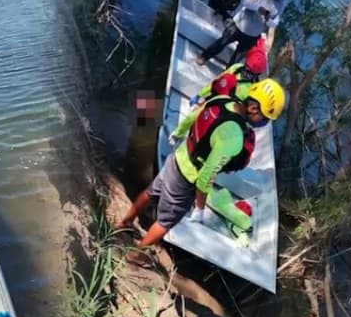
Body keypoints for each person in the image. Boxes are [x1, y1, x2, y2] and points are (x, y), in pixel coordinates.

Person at [119, 79, 286, 257]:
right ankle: (135, 255)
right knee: (165, 222)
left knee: (150, 192)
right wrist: (199, 209)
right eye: (265, 117)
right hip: (186, 178)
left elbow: (192, 118)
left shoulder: (222, 99)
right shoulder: (234, 137)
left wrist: (178, 133)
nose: (263, 123)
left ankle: (125, 222)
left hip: (176, 158)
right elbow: (205, 177)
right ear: (253, 108)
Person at [196, 0, 290, 67]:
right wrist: (259, 8)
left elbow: (274, 22)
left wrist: (269, 19)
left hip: (252, 36)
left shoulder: (280, 5)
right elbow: (247, 2)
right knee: (221, 43)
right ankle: (204, 57)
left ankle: (226, 76)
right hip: (238, 25)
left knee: (236, 59)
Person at [189, 41, 268, 106]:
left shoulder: (237, 68)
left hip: (215, 102)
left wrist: (200, 95)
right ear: (259, 73)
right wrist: (199, 94)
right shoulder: (254, 87)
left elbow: (217, 81)